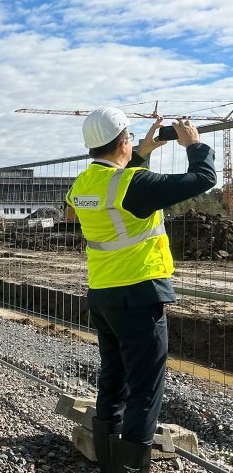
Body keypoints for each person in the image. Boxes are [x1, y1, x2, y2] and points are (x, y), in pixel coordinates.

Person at [65, 108, 216, 473]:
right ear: (122, 143)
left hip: (103, 293)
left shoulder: (83, 185)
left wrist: (142, 152)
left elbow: (102, 195)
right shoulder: (134, 185)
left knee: (112, 376)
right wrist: (193, 144)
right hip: (138, 292)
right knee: (145, 389)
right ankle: (132, 466)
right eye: (130, 139)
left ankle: (108, 461)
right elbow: (204, 177)